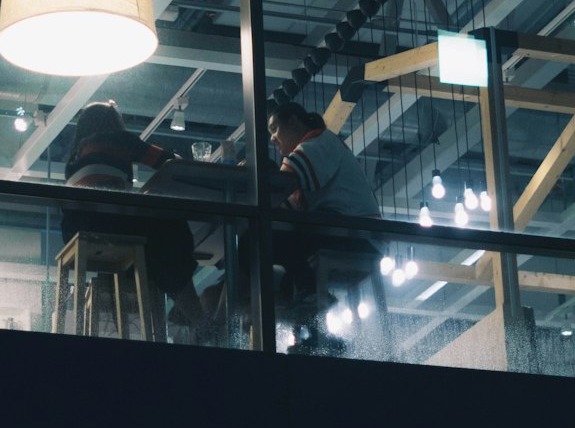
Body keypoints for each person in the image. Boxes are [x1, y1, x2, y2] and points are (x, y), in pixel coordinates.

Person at [60, 100, 213, 340]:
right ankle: (192, 313)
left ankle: (183, 304)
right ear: (114, 123)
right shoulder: (121, 140)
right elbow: (170, 163)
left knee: (154, 243)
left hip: (74, 230)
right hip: (107, 222)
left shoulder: (75, 157)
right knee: (171, 229)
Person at [239, 100, 381, 343]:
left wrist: (253, 177)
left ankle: (308, 300)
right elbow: (287, 201)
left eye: (275, 129)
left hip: (354, 234)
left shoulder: (318, 143)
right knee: (269, 246)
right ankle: (313, 324)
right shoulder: (319, 147)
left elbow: (283, 184)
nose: (273, 138)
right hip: (345, 231)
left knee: (256, 242)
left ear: (294, 121)